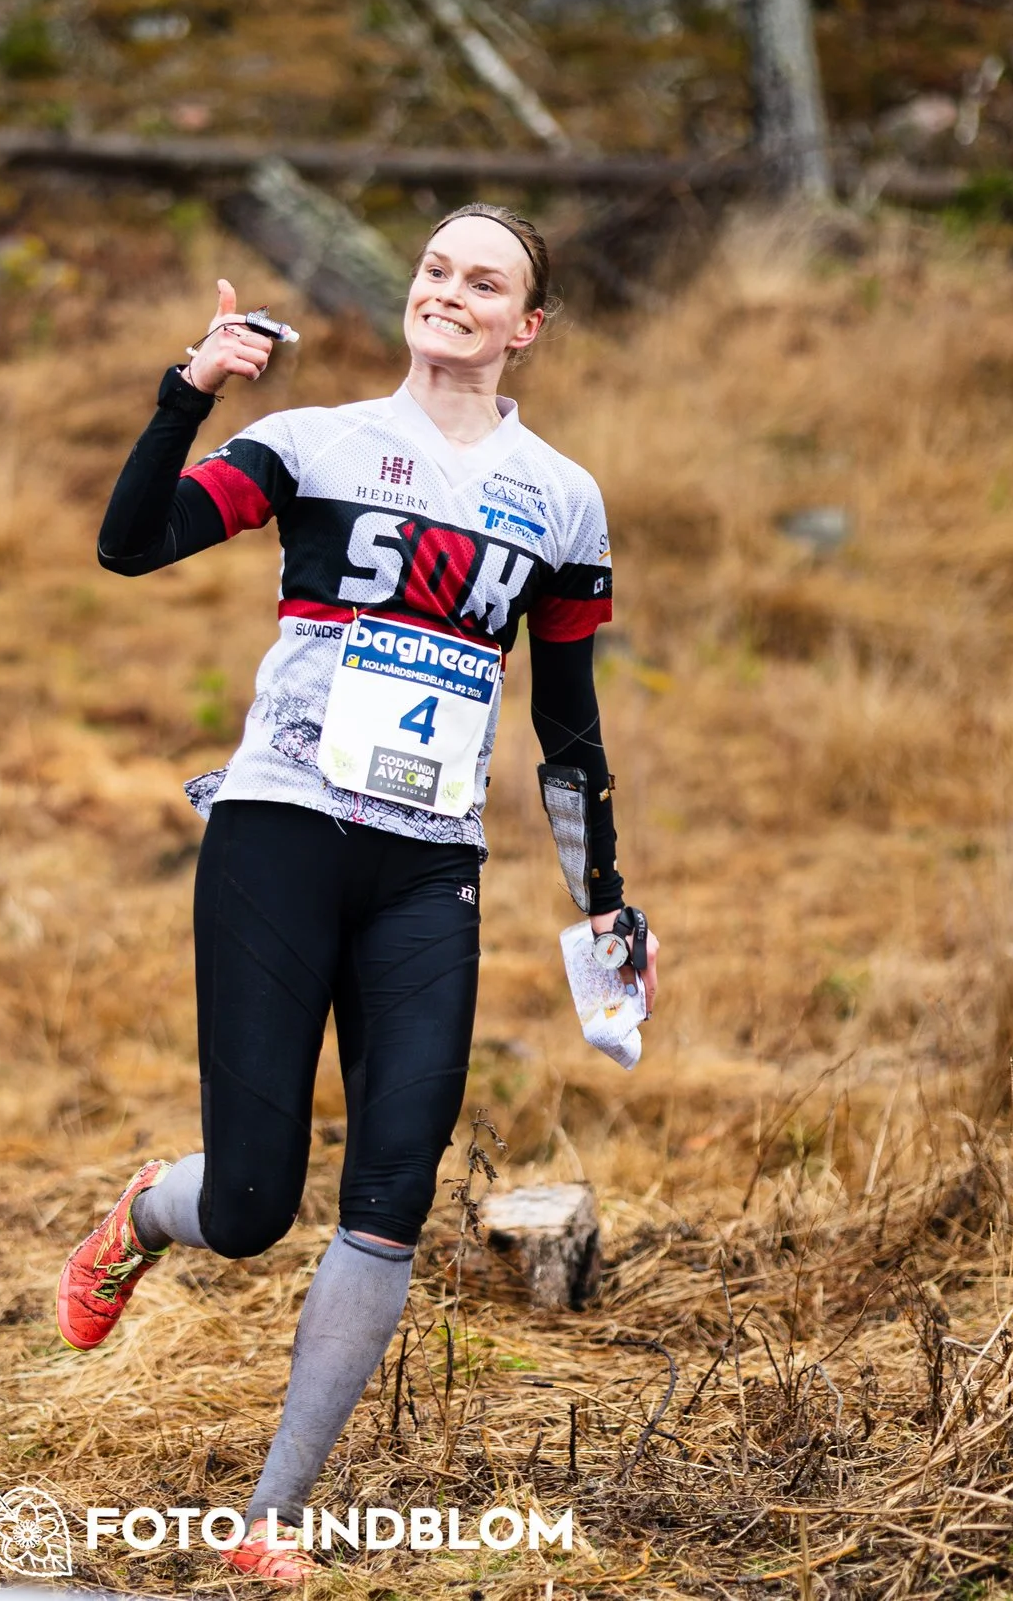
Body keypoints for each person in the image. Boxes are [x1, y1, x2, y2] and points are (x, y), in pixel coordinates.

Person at [57, 205, 658, 1586]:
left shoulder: (561, 499)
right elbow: (131, 543)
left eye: (484, 279)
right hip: (280, 833)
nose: (450, 290)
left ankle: (270, 1519)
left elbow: (568, 727)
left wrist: (604, 900)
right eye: (436, 268)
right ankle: (156, 1206)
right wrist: (188, 391)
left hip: (428, 872)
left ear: (528, 327)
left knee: (392, 1187)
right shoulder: (311, 444)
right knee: (259, 1201)